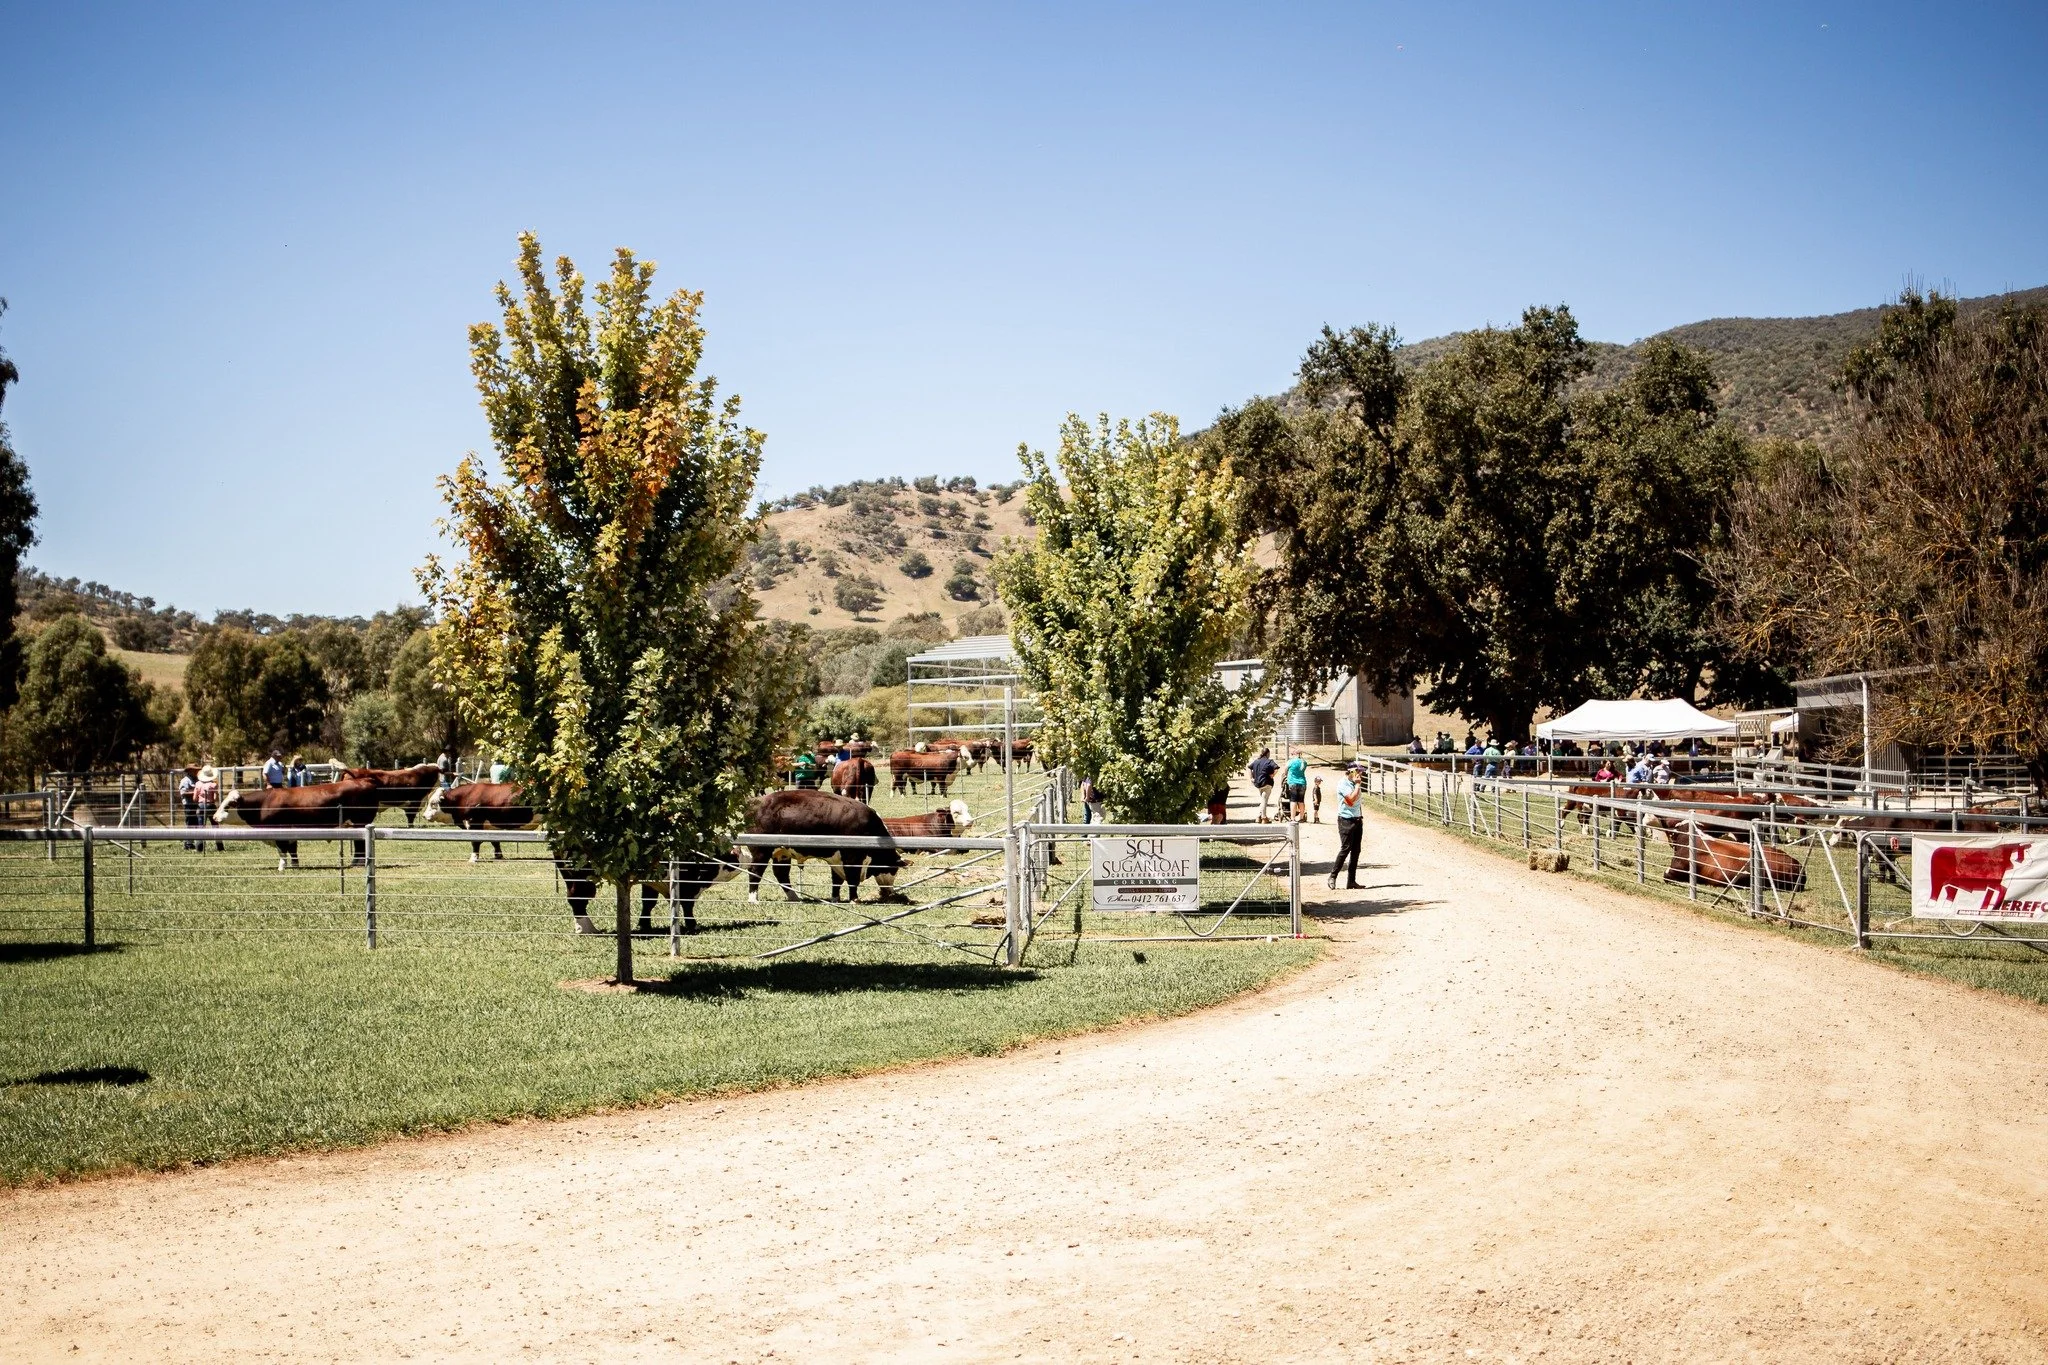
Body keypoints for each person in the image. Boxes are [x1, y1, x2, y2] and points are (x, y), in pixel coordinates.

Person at [1328, 763, 1365, 890]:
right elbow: (1351, 800)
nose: (1361, 774)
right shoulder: (1343, 784)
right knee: (1346, 848)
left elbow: (1358, 803)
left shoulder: (1355, 783)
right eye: (1358, 772)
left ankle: (1351, 881)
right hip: (1345, 820)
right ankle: (1333, 876)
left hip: (1357, 820)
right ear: (1351, 772)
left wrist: (1359, 817)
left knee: (1356, 851)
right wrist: (1358, 784)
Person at [193, 765, 225, 852]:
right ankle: (220, 847)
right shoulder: (213, 785)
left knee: (200, 827)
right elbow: (215, 799)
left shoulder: (198, 784)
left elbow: (194, 798)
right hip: (210, 805)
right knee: (215, 826)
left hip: (200, 806)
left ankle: (199, 848)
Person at [1248, 747, 1279, 822]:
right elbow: (1276, 768)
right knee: (1264, 800)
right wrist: (1273, 775)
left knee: (1263, 800)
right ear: (1268, 753)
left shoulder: (1256, 761)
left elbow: (1249, 767)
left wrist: (1251, 778)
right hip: (1267, 783)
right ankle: (1264, 817)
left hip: (1258, 783)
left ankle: (1258, 817)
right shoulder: (1269, 761)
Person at [177, 764, 200, 850]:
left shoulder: (197, 780)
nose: (196, 771)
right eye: (194, 770)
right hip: (189, 805)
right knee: (190, 823)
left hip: (196, 805)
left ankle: (196, 842)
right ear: (189, 771)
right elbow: (183, 792)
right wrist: (195, 792)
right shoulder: (185, 781)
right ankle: (188, 843)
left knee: (197, 823)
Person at [1282, 751, 1308, 821]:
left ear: (1294, 754)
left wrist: (1287, 776)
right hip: (1302, 783)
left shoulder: (1290, 762)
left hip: (1293, 783)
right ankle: (1302, 817)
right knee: (1301, 801)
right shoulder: (1304, 762)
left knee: (1293, 800)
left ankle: (1292, 818)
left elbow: (1285, 771)